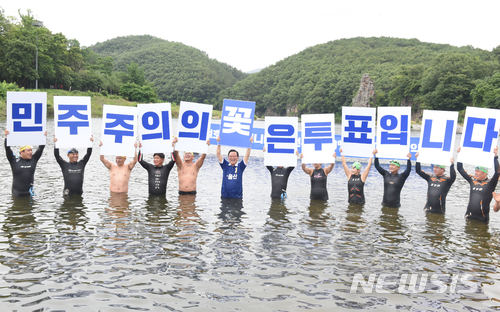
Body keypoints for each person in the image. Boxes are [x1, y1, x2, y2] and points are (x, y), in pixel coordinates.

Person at [457, 147, 499, 222]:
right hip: (469, 217)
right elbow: (460, 169)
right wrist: (459, 155)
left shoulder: (490, 183)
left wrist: (495, 156)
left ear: (485, 173)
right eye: (475, 171)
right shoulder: (472, 180)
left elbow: (497, 172)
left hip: (482, 220)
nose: (475, 173)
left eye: (478, 171)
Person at [4, 129, 46, 196]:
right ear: (21, 152)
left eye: (31, 150)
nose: (31, 152)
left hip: (30, 195)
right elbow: (7, 149)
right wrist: (6, 137)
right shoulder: (14, 160)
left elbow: (41, 148)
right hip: (16, 194)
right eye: (28, 150)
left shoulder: (33, 159)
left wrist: (43, 137)